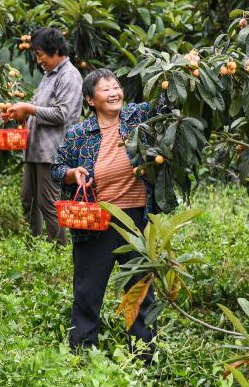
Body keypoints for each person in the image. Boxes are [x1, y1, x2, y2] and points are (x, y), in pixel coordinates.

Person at [51, 68, 170, 361]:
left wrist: (175, 73)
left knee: (141, 291)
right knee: (87, 292)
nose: (114, 93)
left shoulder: (137, 117)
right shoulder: (79, 133)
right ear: (91, 100)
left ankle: (144, 357)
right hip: (95, 221)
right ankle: (81, 354)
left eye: (116, 87)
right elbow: (57, 167)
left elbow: (165, 108)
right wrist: (72, 173)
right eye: (105, 90)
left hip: (137, 219)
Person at [0, 27, 82, 246]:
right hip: (34, 149)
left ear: (54, 50)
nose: (39, 60)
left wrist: (29, 107)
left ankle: (57, 251)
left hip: (52, 151)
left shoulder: (69, 76)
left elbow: (62, 113)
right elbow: (38, 110)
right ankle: (32, 246)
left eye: (40, 54)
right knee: (29, 200)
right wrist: (20, 115)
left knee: (48, 203)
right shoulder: (49, 75)